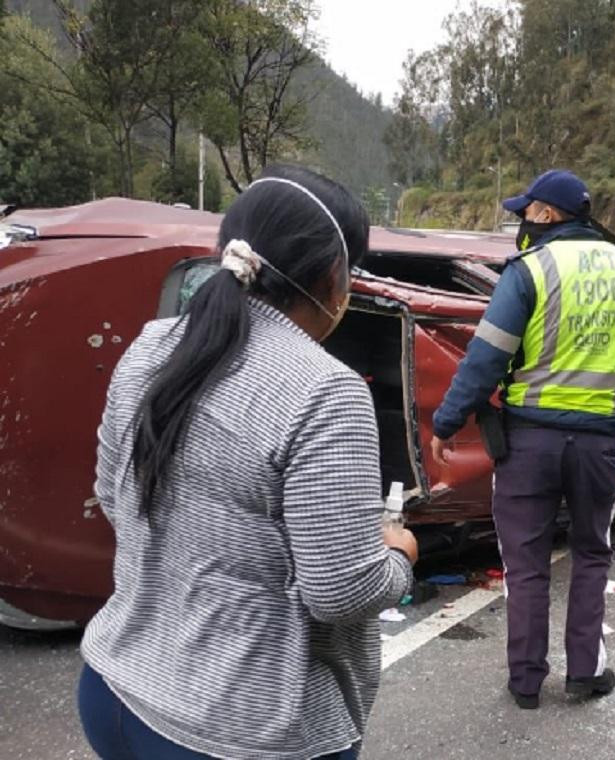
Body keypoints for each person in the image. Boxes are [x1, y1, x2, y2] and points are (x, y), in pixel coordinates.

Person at [77, 165, 417, 760]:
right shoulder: (324, 390)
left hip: (114, 691)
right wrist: (397, 555)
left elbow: (113, 496)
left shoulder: (153, 345)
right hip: (240, 730)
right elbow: (342, 590)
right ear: (335, 276)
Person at [430, 169, 615, 709]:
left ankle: (526, 681)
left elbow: (486, 358)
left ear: (544, 215)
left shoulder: (530, 270)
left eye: (524, 213)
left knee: (526, 560)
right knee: (591, 555)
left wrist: (447, 423)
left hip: (528, 443)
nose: (520, 222)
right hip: (600, 443)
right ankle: (584, 672)